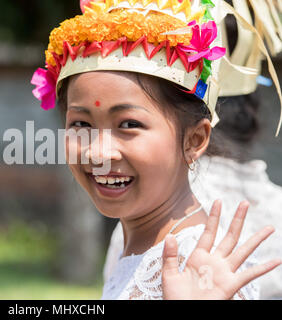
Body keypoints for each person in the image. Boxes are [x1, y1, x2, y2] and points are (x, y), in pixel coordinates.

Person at [31, 0, 282, 299]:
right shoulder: (140, 244)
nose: (98, 153)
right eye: (81, 125)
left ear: (194, 140)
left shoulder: (198, 272)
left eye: (128, 124)